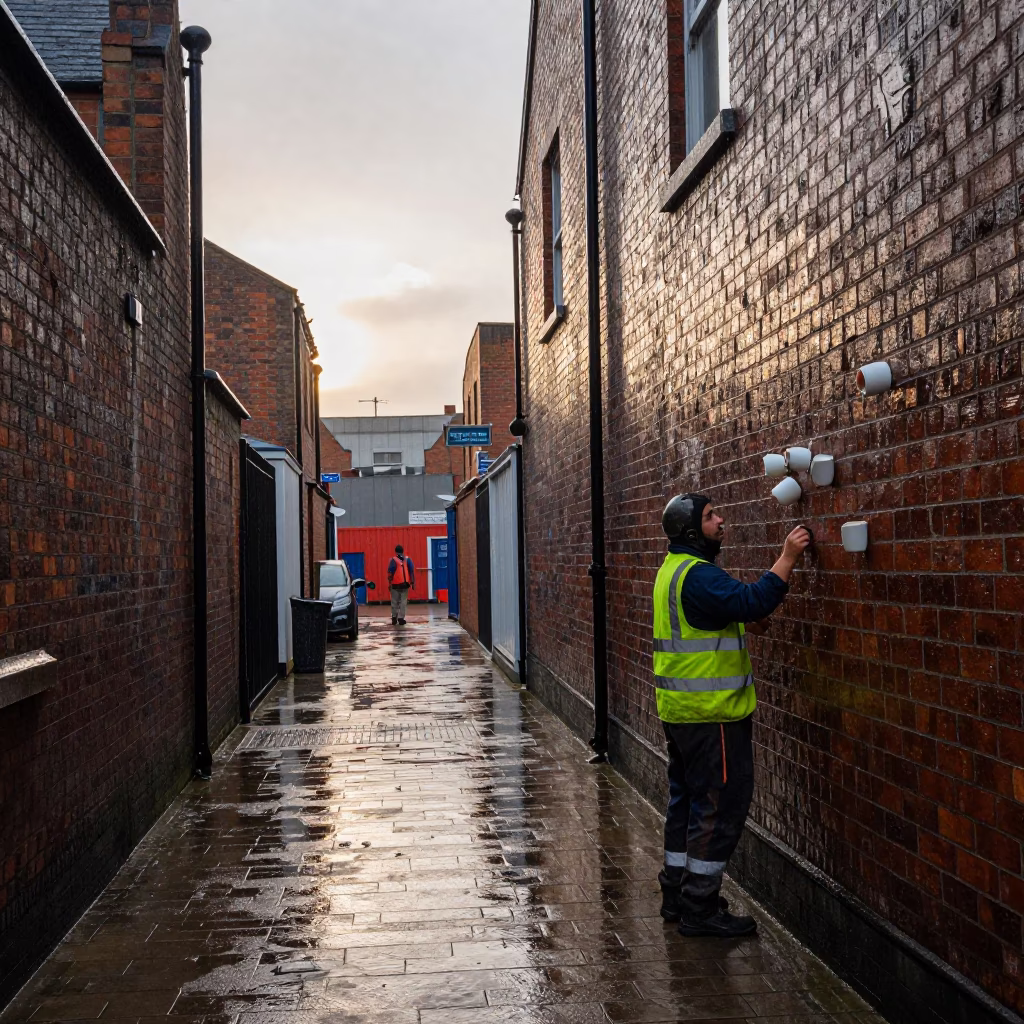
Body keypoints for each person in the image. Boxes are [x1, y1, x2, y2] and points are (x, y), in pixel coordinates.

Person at [654, 493, 811, 938]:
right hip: (714, 717)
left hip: (682, 713)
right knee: (719, 808)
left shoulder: (672, 570)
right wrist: (787, 556)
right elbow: (754, 600)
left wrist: (738, 621)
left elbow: (708, 617)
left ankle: (677, 893)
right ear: (690, 531)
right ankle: (700, 908)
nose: (721, 521)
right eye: (710, 517)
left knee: (685, 803)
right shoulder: (700, 575)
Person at [387, 544, 415, 625]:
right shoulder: (407, 559)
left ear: (395, 552)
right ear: (403, 551)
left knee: (394, 601)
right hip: (405, 584)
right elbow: (411, 571)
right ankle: (401, 618)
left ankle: (394, 618)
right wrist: (412, 583)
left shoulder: (393, 560)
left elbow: (390, 573)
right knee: (403, 601)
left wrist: (389, 583)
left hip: (395, 585)